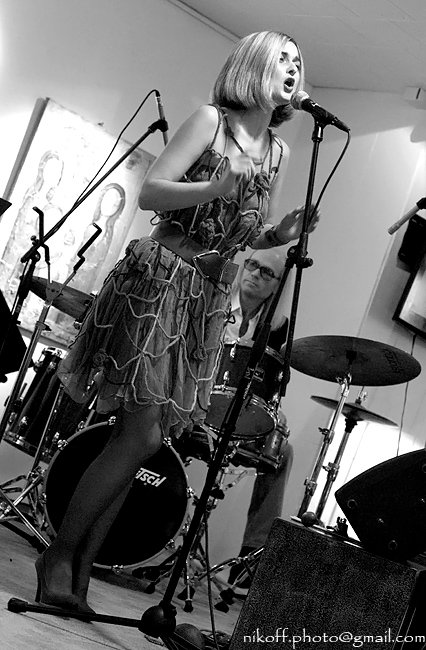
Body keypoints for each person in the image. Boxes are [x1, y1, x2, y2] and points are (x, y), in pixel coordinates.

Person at [34, 30, 318, 613]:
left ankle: (82, 572)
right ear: (254, 66)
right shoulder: (212, 121)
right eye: (282, 59)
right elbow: (150, 194)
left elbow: (242, 229)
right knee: (140, 434)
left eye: (298, 61)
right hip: (161, 279)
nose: (293, 69)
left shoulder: (278, 152)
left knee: (142, 440)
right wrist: (211, 185)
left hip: (205, 298)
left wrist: (279, 235)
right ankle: (57, 557)